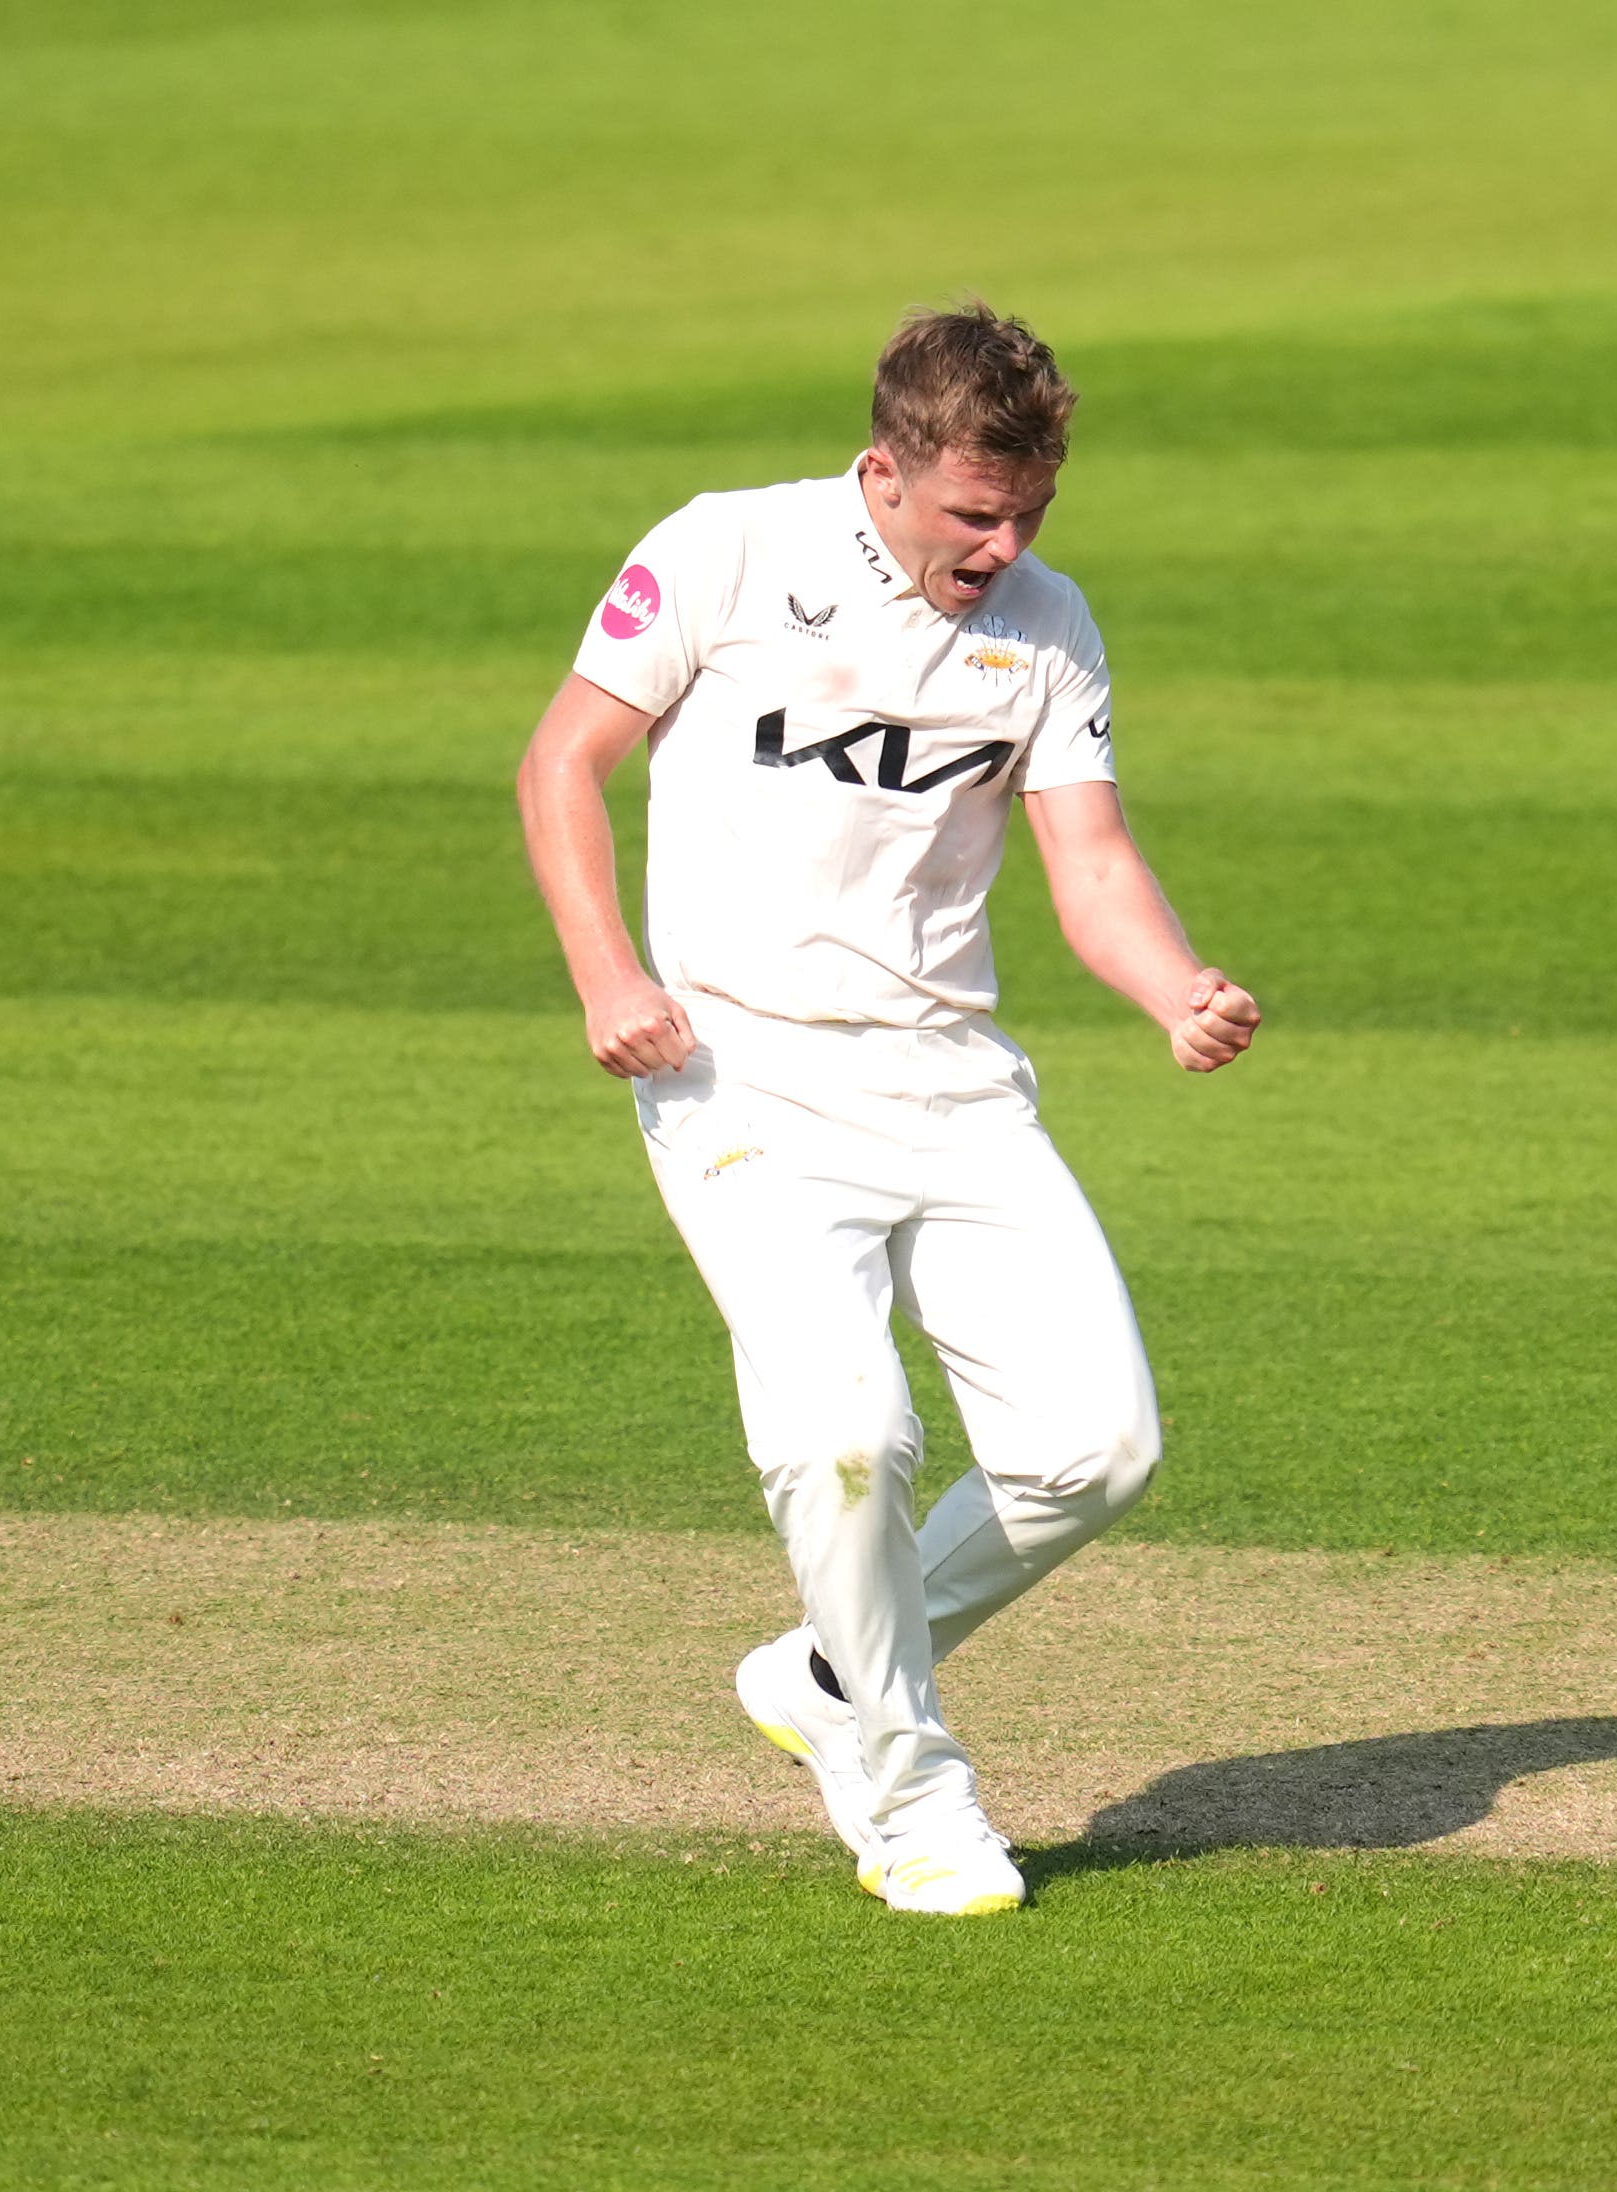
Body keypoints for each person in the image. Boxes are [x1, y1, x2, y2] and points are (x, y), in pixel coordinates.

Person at [516, 303, 1260, 1915]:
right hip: (740, 1073)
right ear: (886, 471)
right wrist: (607, 978)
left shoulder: (1050, 624)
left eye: (1031, 514)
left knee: (1097, 1449)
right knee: (849, 1434)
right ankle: (908, 1789)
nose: (1004, 547)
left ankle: (828, 1675)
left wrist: (1176, 988)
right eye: (974, 515)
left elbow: (1093, 861)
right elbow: (563, 762)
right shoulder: (725, 555)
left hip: (951, 1086)